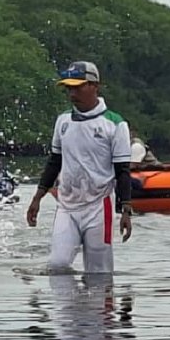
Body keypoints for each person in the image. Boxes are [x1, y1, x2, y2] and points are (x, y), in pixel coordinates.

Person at [26, 61, 133, 274]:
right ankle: (68, 297)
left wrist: (126, 210)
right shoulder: (63, 121)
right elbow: (54, 162)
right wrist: (37, 198)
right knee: (57, 265)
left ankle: (98, 297)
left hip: (99, 206)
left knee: (99, 272)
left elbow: (122, 171)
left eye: (77, 87)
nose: (72, 94)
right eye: (69, 88)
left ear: (94, 86)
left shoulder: (115, 124)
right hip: (67, 205)